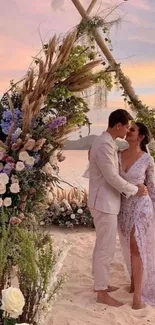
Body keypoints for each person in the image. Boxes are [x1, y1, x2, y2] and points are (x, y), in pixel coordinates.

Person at [88, 109, 147, 307]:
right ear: (118, 125)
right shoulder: (104, 144)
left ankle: (100, 284)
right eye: (126, 126)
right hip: (104, 203)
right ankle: (101, 292)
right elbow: (112, 177)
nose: (127, 131)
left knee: (101, 246)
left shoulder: (106, 142)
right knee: (105, 248)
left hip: (104, 202)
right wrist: (134, 190)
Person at [118, 122, 155, 309]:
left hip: (142, 206)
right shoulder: (117, 155)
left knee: (136, 246)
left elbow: (152, 188)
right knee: (128, 244)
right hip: (123, 207)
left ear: (140, 137)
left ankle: (138, 298)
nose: (128, 131)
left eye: (132, 129)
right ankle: (133, 282)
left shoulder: (147, 159)